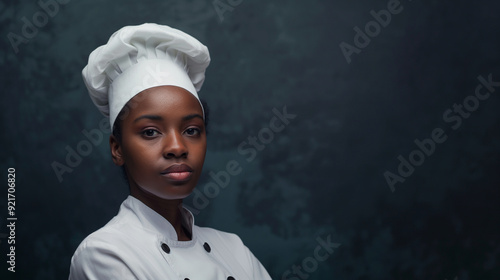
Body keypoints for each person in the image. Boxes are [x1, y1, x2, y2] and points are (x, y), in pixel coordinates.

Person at [69, 23, 272, 280]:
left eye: (191, 130)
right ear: (117, 149)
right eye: (151, 132)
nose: (177, 147)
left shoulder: (234, 249)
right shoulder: (105, 254)